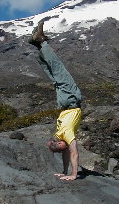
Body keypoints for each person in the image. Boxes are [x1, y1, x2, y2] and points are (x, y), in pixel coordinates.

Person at [29, 21, 82, 181]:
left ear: (59, 143)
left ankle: (41, 42)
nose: (66, 147)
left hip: (70, 99)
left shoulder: (65, 133)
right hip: (64, 103)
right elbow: (67, 152)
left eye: (62, 148)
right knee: (53, 72)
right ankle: (38, 43)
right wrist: (65, 172)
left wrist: (73, 175)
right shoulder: (59, 133)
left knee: (57, 68)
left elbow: (73, 152)